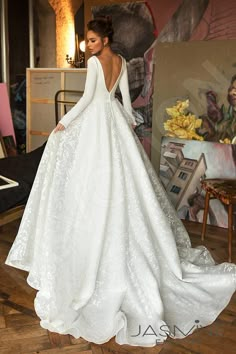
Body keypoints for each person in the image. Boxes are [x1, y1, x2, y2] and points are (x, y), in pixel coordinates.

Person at [5, 17, 236, 347]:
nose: (89, 45)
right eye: (88, 41)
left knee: (92, 182)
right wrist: (127, 127)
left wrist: (63, 123)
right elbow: (126, 104)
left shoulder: (98, 64)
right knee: (124, 187)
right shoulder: (123, 63)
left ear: (106, 40)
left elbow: (86, 102)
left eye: (93, 40)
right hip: (114, 121)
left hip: (97, 124)